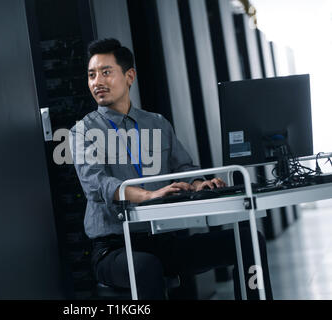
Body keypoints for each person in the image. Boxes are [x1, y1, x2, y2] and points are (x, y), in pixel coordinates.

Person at [70, 38, 272, 300]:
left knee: (249, 241)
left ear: (129, 76)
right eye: (91, 75)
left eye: (106, 72)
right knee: (147, 267)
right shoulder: (82, 131)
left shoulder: (157, 123)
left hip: (164, 239)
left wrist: (200, 183)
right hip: (115, 248)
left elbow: (184, 166)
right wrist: (148, 195)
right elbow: (97, 185)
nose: (97, 81)